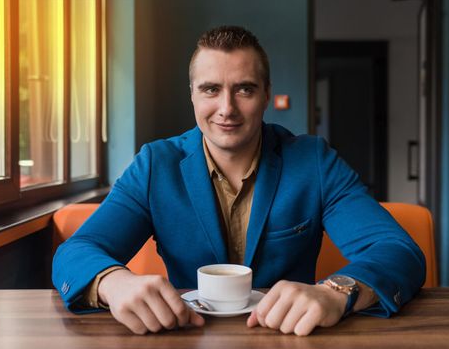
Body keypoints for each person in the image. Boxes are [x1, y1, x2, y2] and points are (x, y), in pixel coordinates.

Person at [52, 26, 425, 336]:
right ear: (193, 96)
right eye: (211, 89)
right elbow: (75, 251)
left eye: (244, 89)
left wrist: (335, 292)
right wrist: (115, 284)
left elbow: (398, 251)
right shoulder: (156, 165)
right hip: (183, 337)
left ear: (265, 95)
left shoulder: (313, 160)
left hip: (291, 339)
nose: (226, 108)